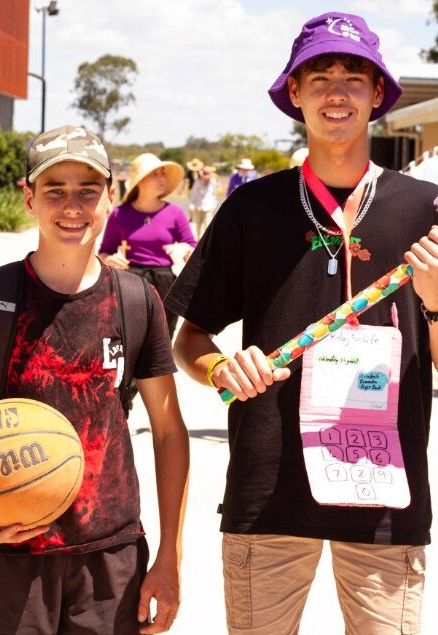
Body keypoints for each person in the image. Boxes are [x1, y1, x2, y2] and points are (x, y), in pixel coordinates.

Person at [165, 12, 438, 635]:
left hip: (384, 495)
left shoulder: (426, 210)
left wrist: (436, 299)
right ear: (294, 92)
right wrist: (219, 367)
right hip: (268, 491)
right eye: (318, 76)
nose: (335, 92)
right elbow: (191, 341)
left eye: (352, 77)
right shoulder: (251, 208)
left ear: (377, 94)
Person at [0, 125, 189, 635]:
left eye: (88, 191)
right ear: (28, 198)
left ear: (111, 196)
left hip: (111, 558)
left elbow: (170, 433)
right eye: (54, 190)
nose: (72, 206)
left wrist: (170, 555)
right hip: (7, 552)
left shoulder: (136, 301)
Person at [99, 152, 197, 340]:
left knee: (162, 338)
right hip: (129, 283)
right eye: (155, 174)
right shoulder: (120, 214)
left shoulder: (175, 213)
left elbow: (193, 249)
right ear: (139, 180)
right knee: (130, 337)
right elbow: (104, 252)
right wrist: (110, 259)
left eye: (163, 173)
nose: (162, 178)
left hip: (166, 282)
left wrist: (185, 249)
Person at [188, 165, 220, 239]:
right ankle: (198, 240)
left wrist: (214, 205)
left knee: (208, 225)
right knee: (197, 226)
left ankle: (206, 242)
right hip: (198, 206)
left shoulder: (213, 182)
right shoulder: (197, 182)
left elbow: (214, 194)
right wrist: (191, 205)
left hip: (209, 206)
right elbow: (193, 194)